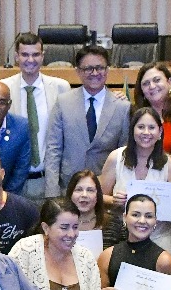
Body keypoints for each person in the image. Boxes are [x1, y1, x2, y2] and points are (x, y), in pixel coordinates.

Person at [99, 106, 171, 260]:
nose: (146, 132)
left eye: (151, 127)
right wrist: (114, 200)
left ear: (160, 132)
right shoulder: (116, 158)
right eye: (141, 127)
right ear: (132, 130)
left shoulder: (170, 165)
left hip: (160, 238)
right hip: (122, 236)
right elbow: (99, 197)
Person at [44, 44, 131, 197]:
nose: (95, 73)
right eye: (88, 68)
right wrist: (52, 193)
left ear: (107, 70)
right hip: (68, 189)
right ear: (78, 71)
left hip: (104, 192)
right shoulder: (63, 102)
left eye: (100, 68)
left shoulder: (122, 107)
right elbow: (53, 150)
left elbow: (124, 154)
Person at [3, 32, 72, 201]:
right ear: (16, 57)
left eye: (35, 54)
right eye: (25, 55)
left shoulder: (61, 87)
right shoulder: (4, 88)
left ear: (43, 56)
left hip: (49, 181)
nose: (30, 60)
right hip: (14, 183)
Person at [132, 62, 171, 154]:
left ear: (169, 82)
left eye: (157, 80)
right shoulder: (133, 115)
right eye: (146, 83)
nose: (152, 86)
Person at [66, 169, 110, 242]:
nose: (84, 195)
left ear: (97, 195)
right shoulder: (58, 223)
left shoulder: (113, 224)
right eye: (79, 190)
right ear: (70, 194)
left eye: (90, 190)